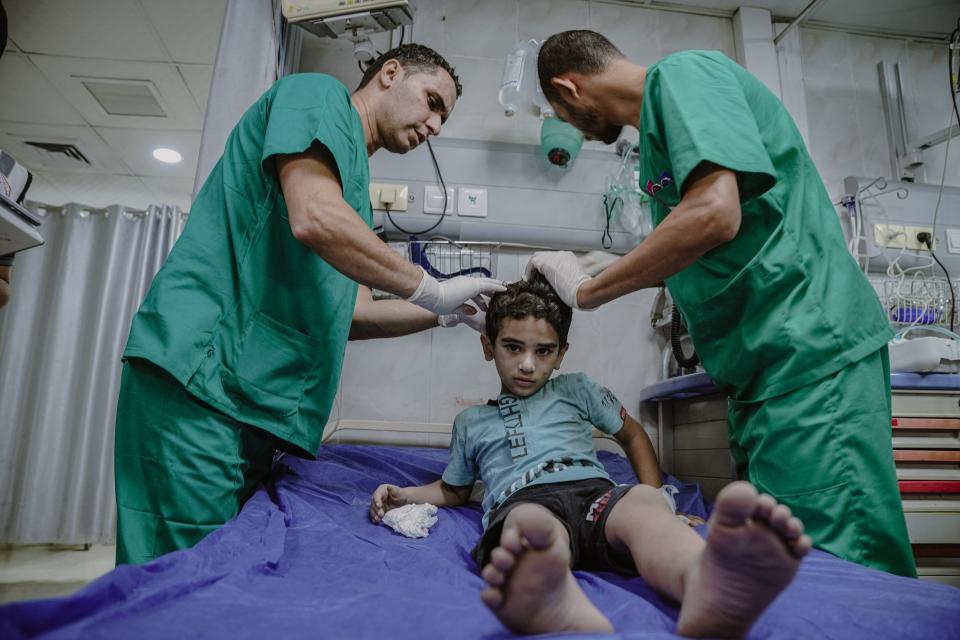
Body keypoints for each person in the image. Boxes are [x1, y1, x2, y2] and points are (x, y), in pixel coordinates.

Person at [526, 30, 914, 577]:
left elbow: (713, 215)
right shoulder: (657, 151)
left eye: (562, 114)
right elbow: (710, 238)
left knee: (837, 561)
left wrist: (593, 288)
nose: (578, 133)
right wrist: (626, 262)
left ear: (568, 88)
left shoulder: (685, 75)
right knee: (778, 562)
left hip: (807, 353)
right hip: (762, 372)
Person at [114, 44, 505, 565]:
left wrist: (448, 313)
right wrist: (430, 287)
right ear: (389, 73)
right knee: (177, 578)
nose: (434, 124)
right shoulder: (317, 95)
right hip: (202, 382)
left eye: (443, 118)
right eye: (432, 101)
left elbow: (356, 313)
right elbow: (314, 218)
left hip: (252, 405)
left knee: (214, 581)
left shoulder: (355, 200)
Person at [370, 276, 811, 637]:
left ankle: (704, 581)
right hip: (524, 500)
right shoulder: (471, 424)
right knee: (530, 528)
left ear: (561, 355)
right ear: (488, 347)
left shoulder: (577, 389)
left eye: (543, 351)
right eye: (513, 347)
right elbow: (453, 489)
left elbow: (633, 435)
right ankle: (555, 599)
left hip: (595, 494)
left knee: (641, 507)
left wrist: (660, 497)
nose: (528, 364)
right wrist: (403, 494)